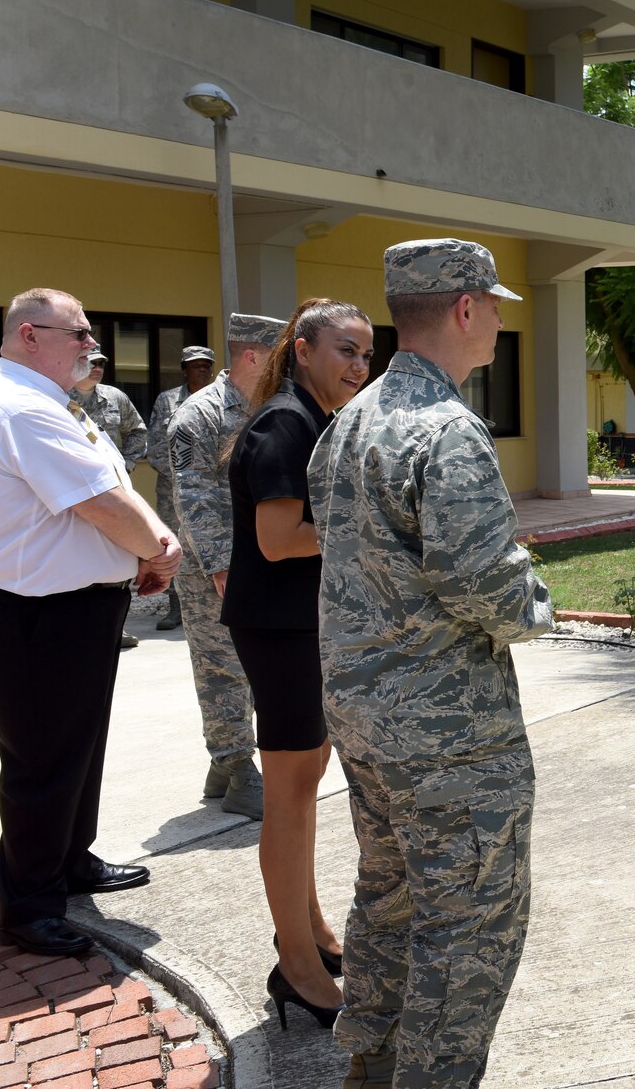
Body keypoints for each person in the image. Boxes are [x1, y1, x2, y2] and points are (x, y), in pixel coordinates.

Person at [310, 238, 553, 1086]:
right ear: (464, 307)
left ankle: (367, 1063)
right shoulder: (446, 428)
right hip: (449, 734)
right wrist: (539, 600)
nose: (495, 322)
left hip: (366, 723)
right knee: (470, 926)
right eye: (492, 306)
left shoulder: (347, 421)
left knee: (388, 902)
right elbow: (486, 584)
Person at [0, 289, 182, 956]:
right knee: (43, 756)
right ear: (30, 335)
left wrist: (137, 554)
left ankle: (68, 857)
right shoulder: (19, 405)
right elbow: (98, 500)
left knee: (77, 745)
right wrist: (156, 548)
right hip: (36, 611)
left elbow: (104, 487)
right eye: (81, 332)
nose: (93, 343)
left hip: (74, 604)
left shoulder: (46, 399)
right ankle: (30, 903)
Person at [224, 299, 375, 1028]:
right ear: (305, 347)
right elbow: (279, 538)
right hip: (281, 630)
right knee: (289, 793)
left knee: (304, 786)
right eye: (345, 349)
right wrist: (369, 527)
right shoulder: (285, 422)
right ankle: (298, 967)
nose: (357, 366)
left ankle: (310, 932)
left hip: (300, 626)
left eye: (366, 356)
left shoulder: (308, 417)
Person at [170, 315, 279, 820]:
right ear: (251, 356)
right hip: (215, 566)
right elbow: (191, 494)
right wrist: (219, 563)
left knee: (259, 665)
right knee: (221, 668)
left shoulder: (271, 404)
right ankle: (237, 769)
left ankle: (223, 760)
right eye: (278, 355)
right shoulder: (200, 414)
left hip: (265, 558)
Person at [72, 351, 150, 649]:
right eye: (92, 363)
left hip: (113, 491)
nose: (97, 369)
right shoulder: (59, 396)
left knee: (118, 556)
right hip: (77, 492)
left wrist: (125, 465)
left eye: (102, 364)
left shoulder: (115, 397)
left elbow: (137, 432)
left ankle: (116, 628)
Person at [147, 345, 216, 632]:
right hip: (172, 487)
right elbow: (156, 445)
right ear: (184, 369)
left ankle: (214, 601)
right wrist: (182, 476)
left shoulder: (221, 399)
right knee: (173, 542)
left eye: (205, 365)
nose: (201, 369)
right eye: (195, 365)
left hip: (213, 487)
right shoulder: (167, 401)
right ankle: (176, 605)